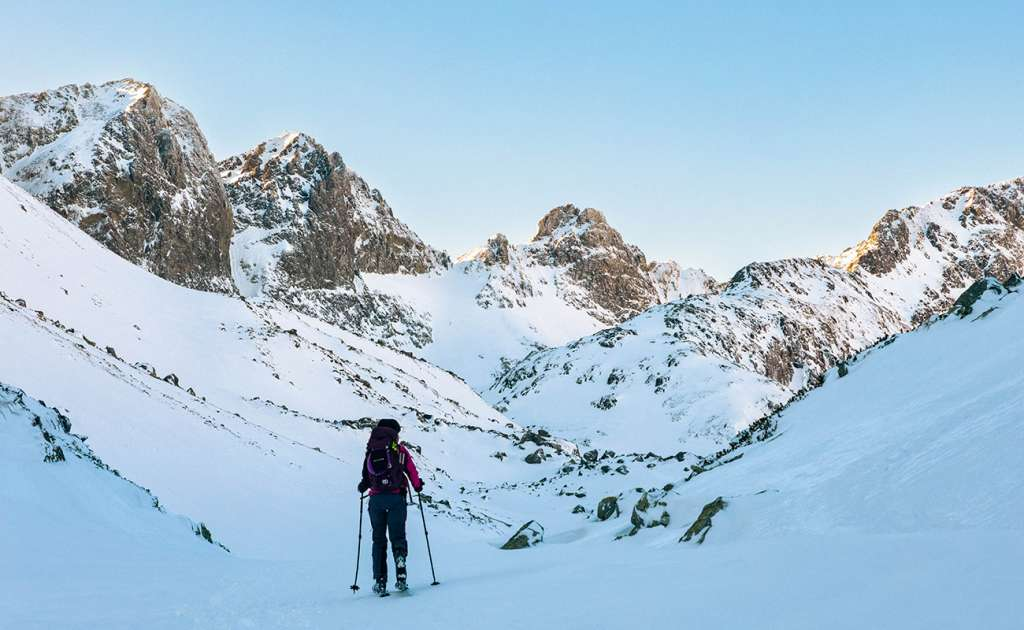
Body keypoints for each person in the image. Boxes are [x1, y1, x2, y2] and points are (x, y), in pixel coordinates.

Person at [357, 418, 423, 595]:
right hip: (396, 498)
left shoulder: (371, 449)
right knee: (397, 537)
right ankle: (401, 571)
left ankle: (380, 581)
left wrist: (363, 486)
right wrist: (417, 486)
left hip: (376, 500)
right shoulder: (399, 450)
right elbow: (411, 471)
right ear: (395, 432)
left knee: (378, 540)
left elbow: (365, 475)